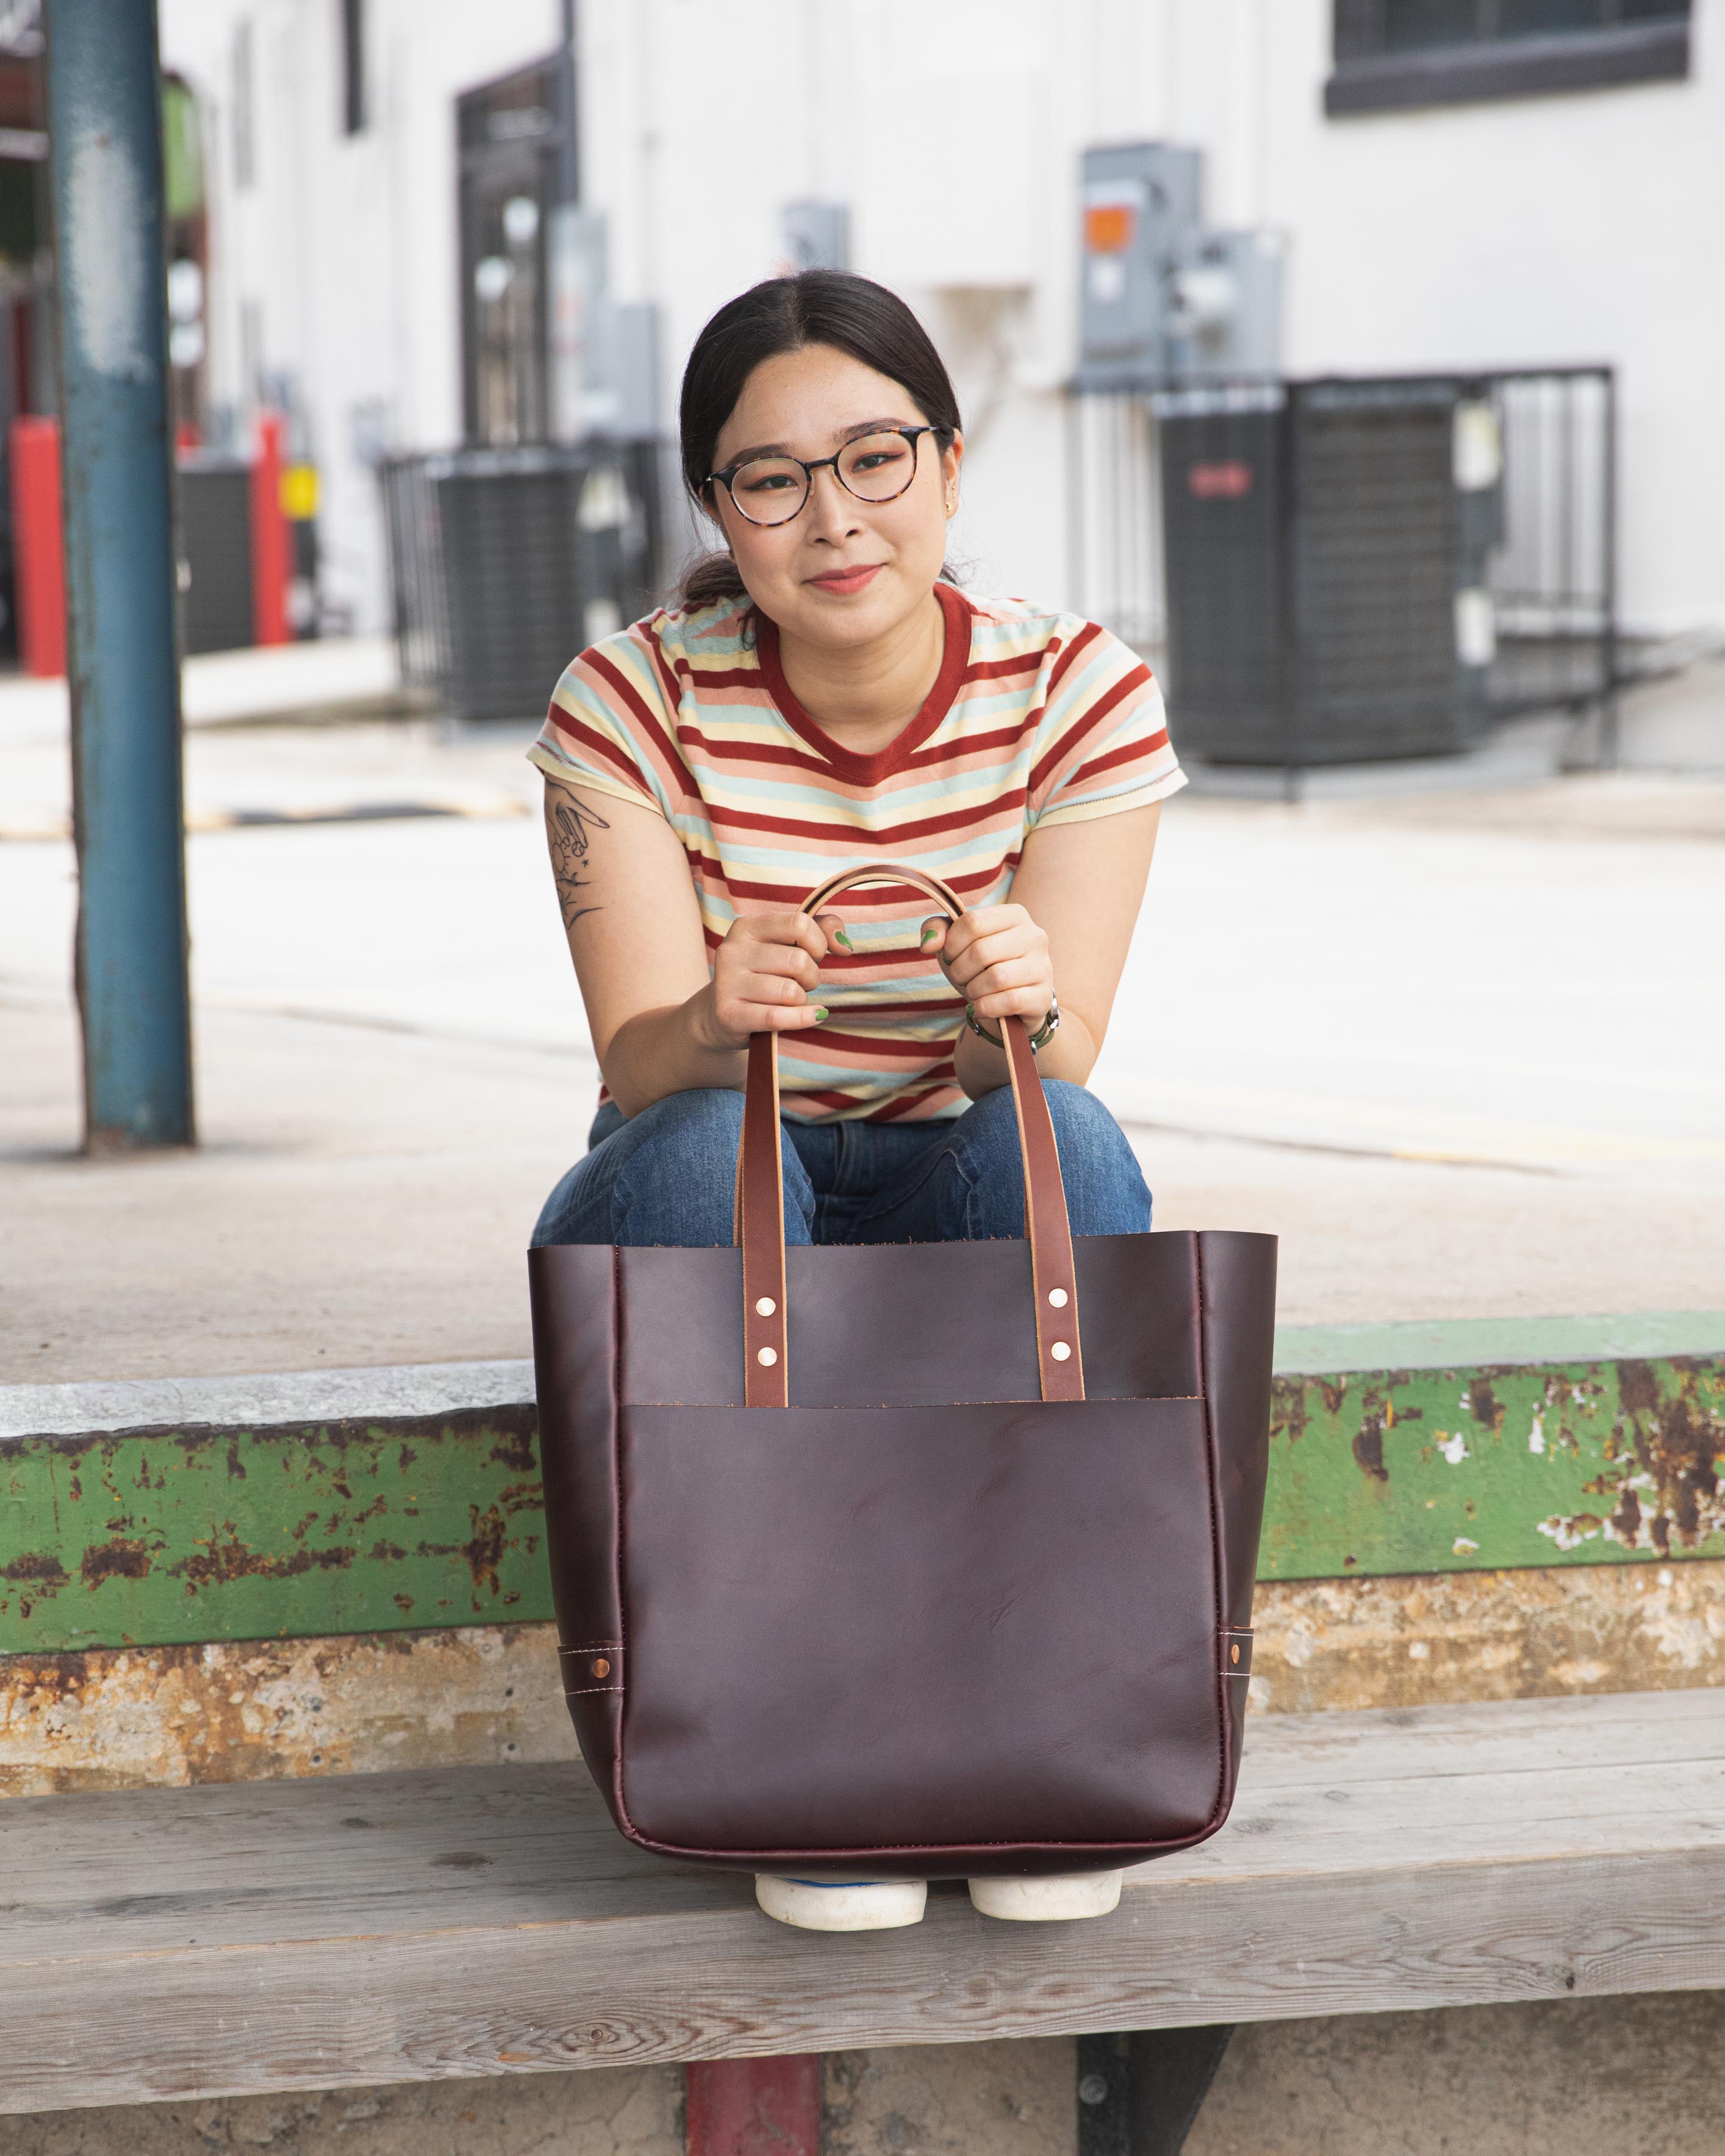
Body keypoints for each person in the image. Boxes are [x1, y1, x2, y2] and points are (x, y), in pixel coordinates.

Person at [528, 270, 1186, 1933]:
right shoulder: (629, 701)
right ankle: (777, 1747)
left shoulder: (1078, 691)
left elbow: (1053, 1071)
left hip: (945, 1169)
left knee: (1079, 1142)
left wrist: (1009, 1015)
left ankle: (1054, 1726)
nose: (835, 517)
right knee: (684, 1142)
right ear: (718, 511)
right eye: (773, 477)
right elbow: (633, 1065)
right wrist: (710, 1012)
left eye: (875, 458)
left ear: (950, 469)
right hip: (715, 1188)